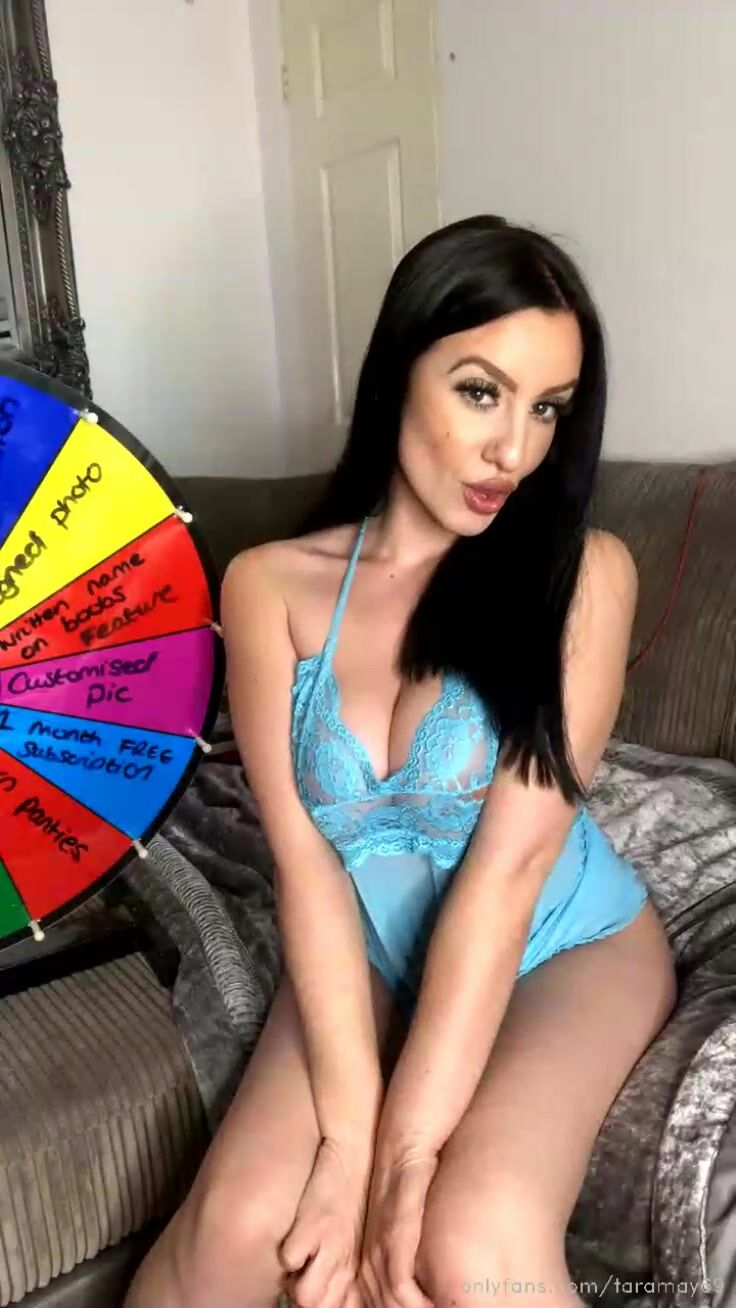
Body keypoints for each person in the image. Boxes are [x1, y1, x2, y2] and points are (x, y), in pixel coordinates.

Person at [125, 216, 676, 1308]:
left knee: (471, 1246)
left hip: (564, 945)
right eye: (480, 392)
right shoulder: (267, 586)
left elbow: (509, 874)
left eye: (548, 409)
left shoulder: (583, 576)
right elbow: (308, 869)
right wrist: (343, 1145)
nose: (514, 451)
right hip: (368, 950)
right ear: (397, 373)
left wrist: (403, 1160)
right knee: (235, 1235)